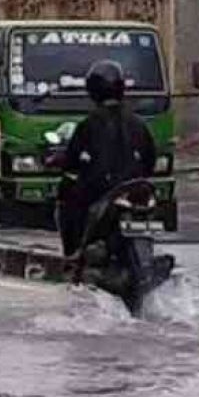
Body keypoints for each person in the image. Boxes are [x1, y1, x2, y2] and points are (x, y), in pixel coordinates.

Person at [57, 60, 157, 258]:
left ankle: (75, 252)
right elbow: (150, 158)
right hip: (132, 191)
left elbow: (72, 161)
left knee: (69, 197)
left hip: (103, 192)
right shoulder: (138, 123)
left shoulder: (89, 125)